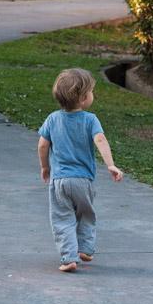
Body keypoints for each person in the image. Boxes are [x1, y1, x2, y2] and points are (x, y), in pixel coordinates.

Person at [37, 67, 123, 272]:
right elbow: (100, 140)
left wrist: (45, 167)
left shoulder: (52, 119)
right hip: (83, 180)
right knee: (86, 214)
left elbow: (42, 145)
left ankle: (69, 258)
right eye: (92, 91)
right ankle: (85, 248)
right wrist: (110, 164)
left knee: (62, 217)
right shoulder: (90, 120)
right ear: (84, 98)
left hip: (59, 181)